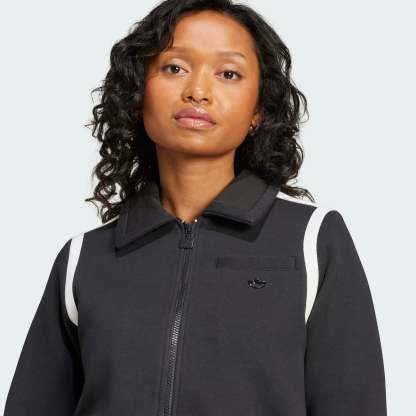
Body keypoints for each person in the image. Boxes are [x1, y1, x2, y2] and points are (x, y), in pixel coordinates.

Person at [4, 1, 387, 415]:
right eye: (174, 68)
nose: (198, 91)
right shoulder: (86, 258)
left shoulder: (312, 241)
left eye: (228, 74)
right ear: (138, 93)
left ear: (258, 110)